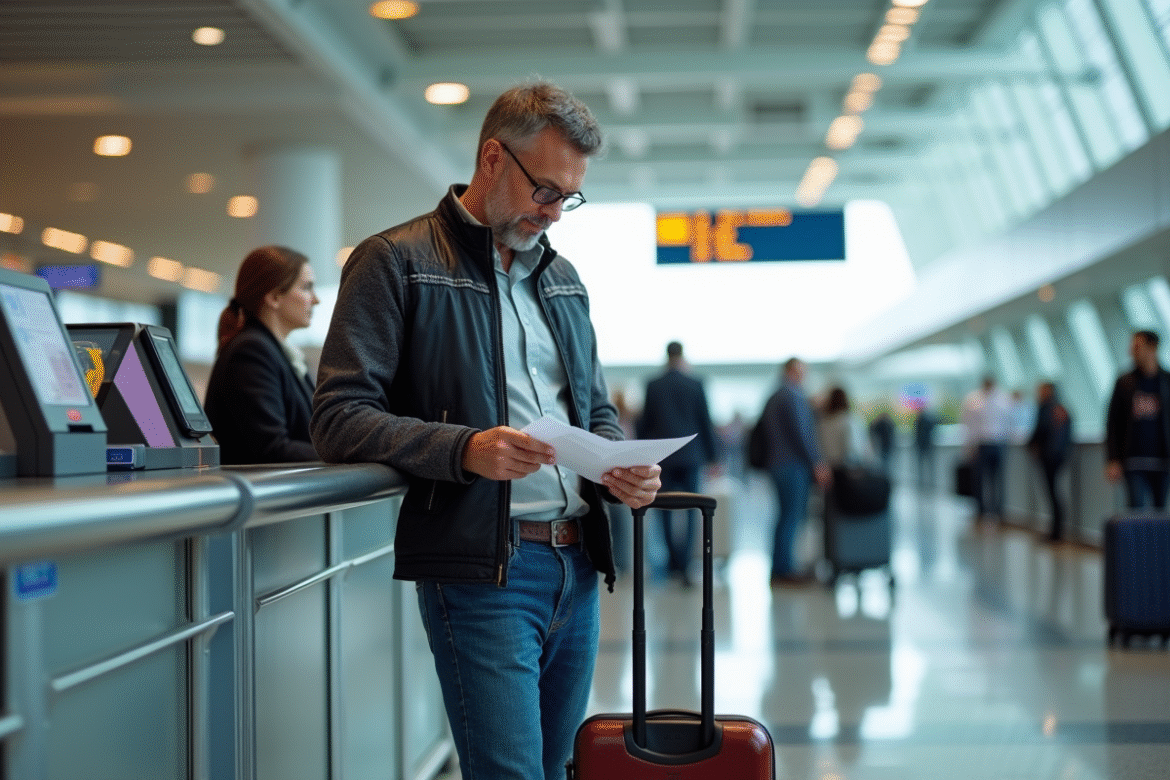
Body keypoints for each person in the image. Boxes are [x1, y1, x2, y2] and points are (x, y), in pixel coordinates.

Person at [309, 82, 662, 780]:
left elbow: (593, 410)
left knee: (560, 768)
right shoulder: (397, 262)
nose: (555, 213)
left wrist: (621, 466)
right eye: (546, 192)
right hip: (483, 571)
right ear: (493, 158)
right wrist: (463, 449)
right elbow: (338, 414)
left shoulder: (564, 283)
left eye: (569, 198)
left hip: (578, 566)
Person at [204, 245, 320, 464]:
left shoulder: (276, 351)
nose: (315, 299)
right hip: (259, 495)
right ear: (275, 297)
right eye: (307, 288)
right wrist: (344, 454)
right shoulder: (250, 351)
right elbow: (272, 449)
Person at [635, 341, 717, 585]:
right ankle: (686, 564)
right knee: (693, 509)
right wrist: (713, 456)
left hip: (663, 457)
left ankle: (672, 563)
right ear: (682, 356)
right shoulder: (696, 383)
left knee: (664, 508)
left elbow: (644, 423)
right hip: (692, 456)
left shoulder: (653, 385)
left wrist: (641, 454)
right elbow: (705, 421)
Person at [758, 358, 831, 586]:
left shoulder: (775, 395)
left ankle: (780, 566)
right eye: (801, 371)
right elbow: (802, 434)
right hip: (792, 466)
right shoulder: (793, 396)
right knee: (792, 516)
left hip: (777, 465)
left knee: (784, 516)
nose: (804, 376)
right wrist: (817, 462)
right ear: (791, 371)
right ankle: (785, 569)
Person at [1105, 330, 1170, 509]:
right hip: (1133, 461)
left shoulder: (1166, 381)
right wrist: (1113, 459)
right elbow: (1113, 423)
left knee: (1160, 515)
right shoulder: (1124, 382)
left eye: (1137, 347)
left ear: (1152, 348)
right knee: (1136, 512)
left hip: (1162, 461)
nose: (1132, 351)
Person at [961, 375, 1012, 520]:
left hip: (998, 443)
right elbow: (969, 425)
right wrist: (969, 446)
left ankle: (998, 510)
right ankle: (981, 510)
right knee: (979, 479)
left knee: (998, 479)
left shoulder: (1003, 398)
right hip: (981, 444)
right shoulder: (974, 399)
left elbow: (1009, 422)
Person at [1027, 381, 1073, 541]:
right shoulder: (1062, 409)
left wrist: (1031, 444)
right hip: (1060, 456)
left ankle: (1056, 531)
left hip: (1048, 456)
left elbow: (1040, 430)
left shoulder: (1046, 409)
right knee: (1055, 492)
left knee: (1052, 493)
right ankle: (1057, 529)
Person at [913, 406, 938, 488]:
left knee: (925, 466)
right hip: (925, 445)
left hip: (924, 445)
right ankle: (928, 482)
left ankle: (925, 483)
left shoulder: (920, 420)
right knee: (927, 466)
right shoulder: (926, 420)